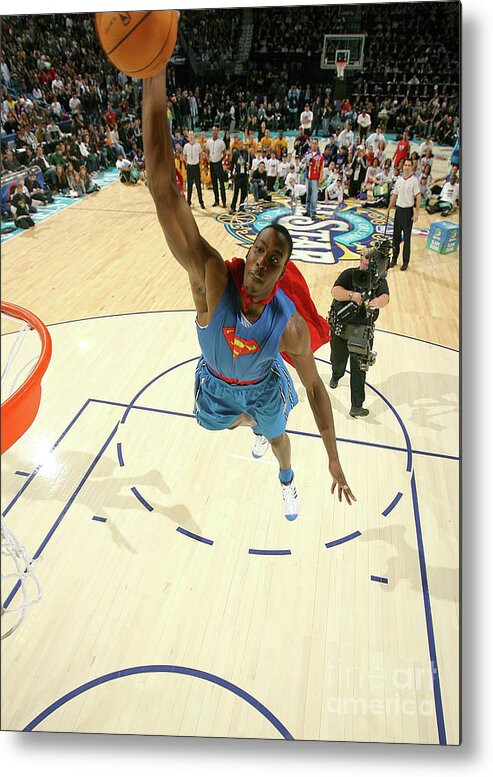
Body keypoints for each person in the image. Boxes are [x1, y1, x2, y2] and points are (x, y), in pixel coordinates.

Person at [142, 66, 355, 520]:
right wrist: (152, 76)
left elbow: (315, 389)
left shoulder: (289, 324)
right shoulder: (213, 280)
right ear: (249, 250)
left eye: (274, 259)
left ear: (283, 274)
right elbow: (162, 187)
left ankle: (286, 481)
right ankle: (251, 423)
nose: (261, 261)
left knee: (280, 442)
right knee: (218, 423)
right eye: (258, 249)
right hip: (216, 388)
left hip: (261, 388)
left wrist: (333, 457)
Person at [329, 251, 390, 417]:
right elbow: (335, 291)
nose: (367, 264)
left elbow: (385, 296)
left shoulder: (378, 281)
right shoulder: (349, 274)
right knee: (338, 360)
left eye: (370, 262)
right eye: (365, 260)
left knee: (359, 370)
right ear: (360, 259)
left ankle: (356, 405)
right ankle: (336, 375)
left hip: (361, 332)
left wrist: (377, 302)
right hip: (341, 328)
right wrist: (351, 295)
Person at [388, 158, 421, 271]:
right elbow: (394, 195)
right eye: (405, 164)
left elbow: (418, 196)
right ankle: (394, 258)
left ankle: (405, 261)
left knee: (407, 238)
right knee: (395, 237)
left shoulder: (414, 181)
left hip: (408, 212)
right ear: (403, 167)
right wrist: (389, 207)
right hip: (399, 211)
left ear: (411, 167)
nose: (406, 166)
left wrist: (417, 212)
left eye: (409, 165)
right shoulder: (399, 180)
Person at [302, 137, 325, 219]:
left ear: (318, 144)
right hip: (308, 177)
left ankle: (313, 212)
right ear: (310, 144)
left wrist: (320, 178)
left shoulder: (320, 156)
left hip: (315, 178)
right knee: (308, 194)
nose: (314, 145)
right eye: (312, 143)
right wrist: (305, 165)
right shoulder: (308, 153)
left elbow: (321, 168)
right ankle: (307, 210)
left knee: (314, 196)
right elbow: (302, 164)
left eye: (315, 143)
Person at [205, 125, 227, 208]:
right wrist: (208, 159)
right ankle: (216, 200)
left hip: (218, 163)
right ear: (212, 132)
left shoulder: (221, 142)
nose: (214, 132)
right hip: (212, 164)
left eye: (216, 131)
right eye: (213, 130)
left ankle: (224, 201)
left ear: (218, 131)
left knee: (221, 183)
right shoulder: (209, 141)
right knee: (214, 183)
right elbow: (207, 151)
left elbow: (224, 153)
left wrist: (221, 160)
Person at [183, 129, 205, 209]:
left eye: (192, 135)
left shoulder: (198, 145)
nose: (191, 137)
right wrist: (188, 162)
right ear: (188, 137)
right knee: (189, 185)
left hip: (196, 166)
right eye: (190, 135)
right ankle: (188, 201)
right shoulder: (186, 146)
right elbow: (184, 156)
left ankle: (201, 202)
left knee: (198, 185)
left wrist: (197, 161)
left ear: (194, 136)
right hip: (190, 167)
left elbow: (200, 154)